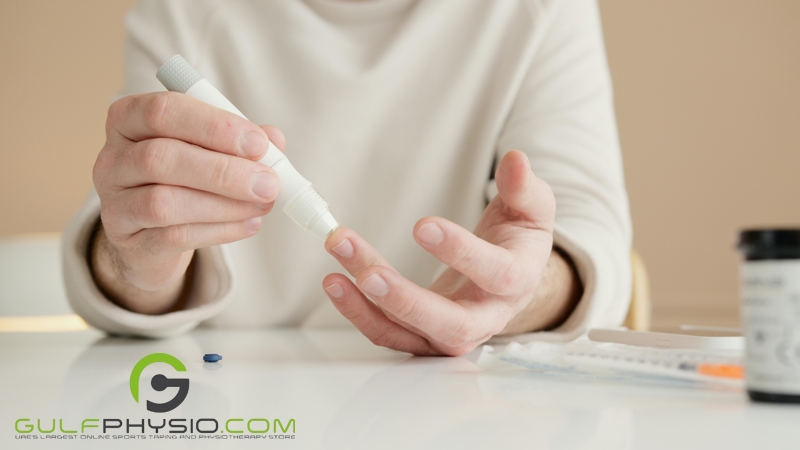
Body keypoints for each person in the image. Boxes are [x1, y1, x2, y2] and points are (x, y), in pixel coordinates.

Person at [63, 0, 632, 356]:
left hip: (451, 401)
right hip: (221, 395)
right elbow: (125, 230)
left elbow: (588, 228)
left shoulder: (538, 9)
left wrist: (517, 289)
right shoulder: (184, 11)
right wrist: (140, 259)